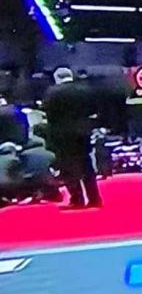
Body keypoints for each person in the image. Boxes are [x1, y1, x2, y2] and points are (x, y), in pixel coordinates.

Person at [41, 67, 102, 209]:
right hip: (83, 132)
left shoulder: (52, 92)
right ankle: (94, 198)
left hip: (62, 134)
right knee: (86, 164)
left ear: (57, 78)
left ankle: (77, 199)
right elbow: (94, 109)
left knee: (68, 167)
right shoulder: (85, 89)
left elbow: (48, 113)